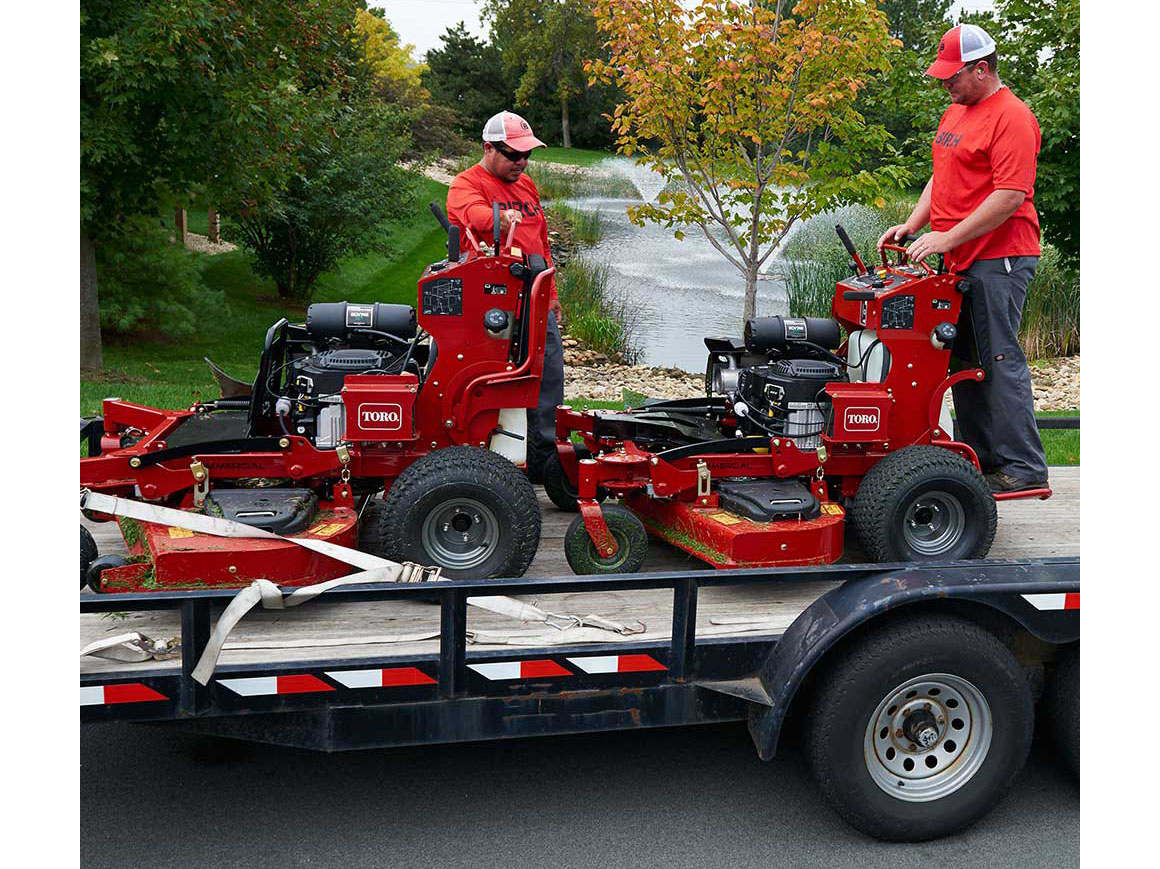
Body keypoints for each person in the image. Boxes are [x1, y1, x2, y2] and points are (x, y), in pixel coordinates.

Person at [877, 23, 1048, 493]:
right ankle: (980, 463)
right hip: (961, 257)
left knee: (997, 359)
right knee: (962, 363)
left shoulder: (1011, 116)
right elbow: (943, 175)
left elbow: (1011, 196)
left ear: (982, 68)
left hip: (1000, 256)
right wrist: (915, 222)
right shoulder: (957, 112)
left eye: (953, 75)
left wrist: (947, 238)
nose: (944, 82)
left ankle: (1023, 468)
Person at [446, 111, 565, 481]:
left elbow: (540, 241)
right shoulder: (466, 184)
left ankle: (543, 458)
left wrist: (553, 293)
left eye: (527, 155)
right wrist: (500, 218)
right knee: (481, 377)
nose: (522, 162)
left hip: (535, 295)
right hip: (490, 303)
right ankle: (476, 458)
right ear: (488, 148)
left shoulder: (526, 185)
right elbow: (474, 215)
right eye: (514, 155)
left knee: (547, 376)